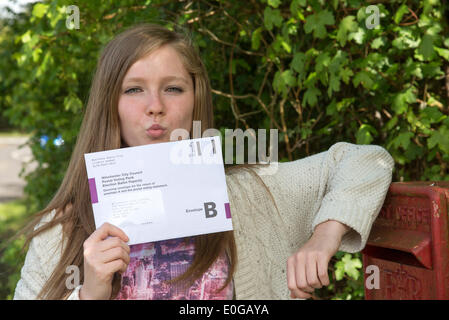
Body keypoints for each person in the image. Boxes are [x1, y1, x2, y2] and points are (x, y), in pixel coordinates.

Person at [12, 23, 394, 300]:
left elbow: (365, 160)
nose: (155, 107)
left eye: (173, 88)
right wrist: (89, 294)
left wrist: (323, 236)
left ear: (196, 98)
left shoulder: (253, 193)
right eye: (134, 89)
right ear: (108, 104)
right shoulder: (60, 230)